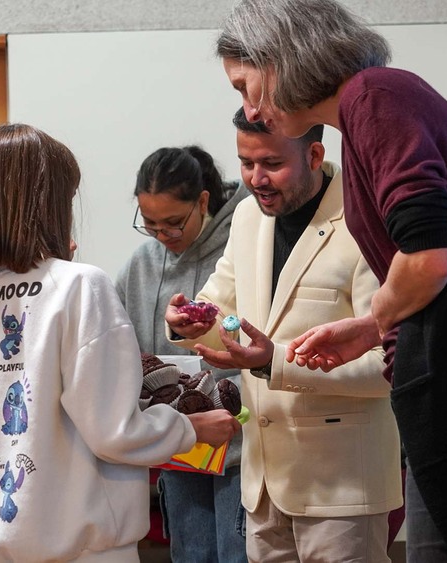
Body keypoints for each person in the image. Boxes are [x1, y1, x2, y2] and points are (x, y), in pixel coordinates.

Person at [215, 0, 447, 560]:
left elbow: (429, 256)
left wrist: (372, 322)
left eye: (246, 86)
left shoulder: (374, 98)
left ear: (281, 59)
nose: (250, 109)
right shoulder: (371, 104)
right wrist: (369, 327)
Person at [0, 123, 240, 561]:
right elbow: (114, 432)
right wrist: (190, 428)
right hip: (83, 546)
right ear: (47, 201)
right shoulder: (79, 284)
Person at [164, 110, 401, 562]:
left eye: (272, 164)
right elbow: (220, 312)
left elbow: (389, 364)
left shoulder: (366, 219)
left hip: (342, 488)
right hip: (262, 487)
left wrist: (274, 361)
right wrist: (187, 321)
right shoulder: (247, 216)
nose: (256, 179)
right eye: (246, 163)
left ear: (314, 155)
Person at [115, 145, 249, 562]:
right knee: (191, 554)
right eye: (151, 225)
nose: (163, 236)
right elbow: (119, 348)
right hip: (179, 446)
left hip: (239, 443)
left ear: (203, 202)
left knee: (238, 553)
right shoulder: (140, 265)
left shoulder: (241, 247)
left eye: (174, 223)